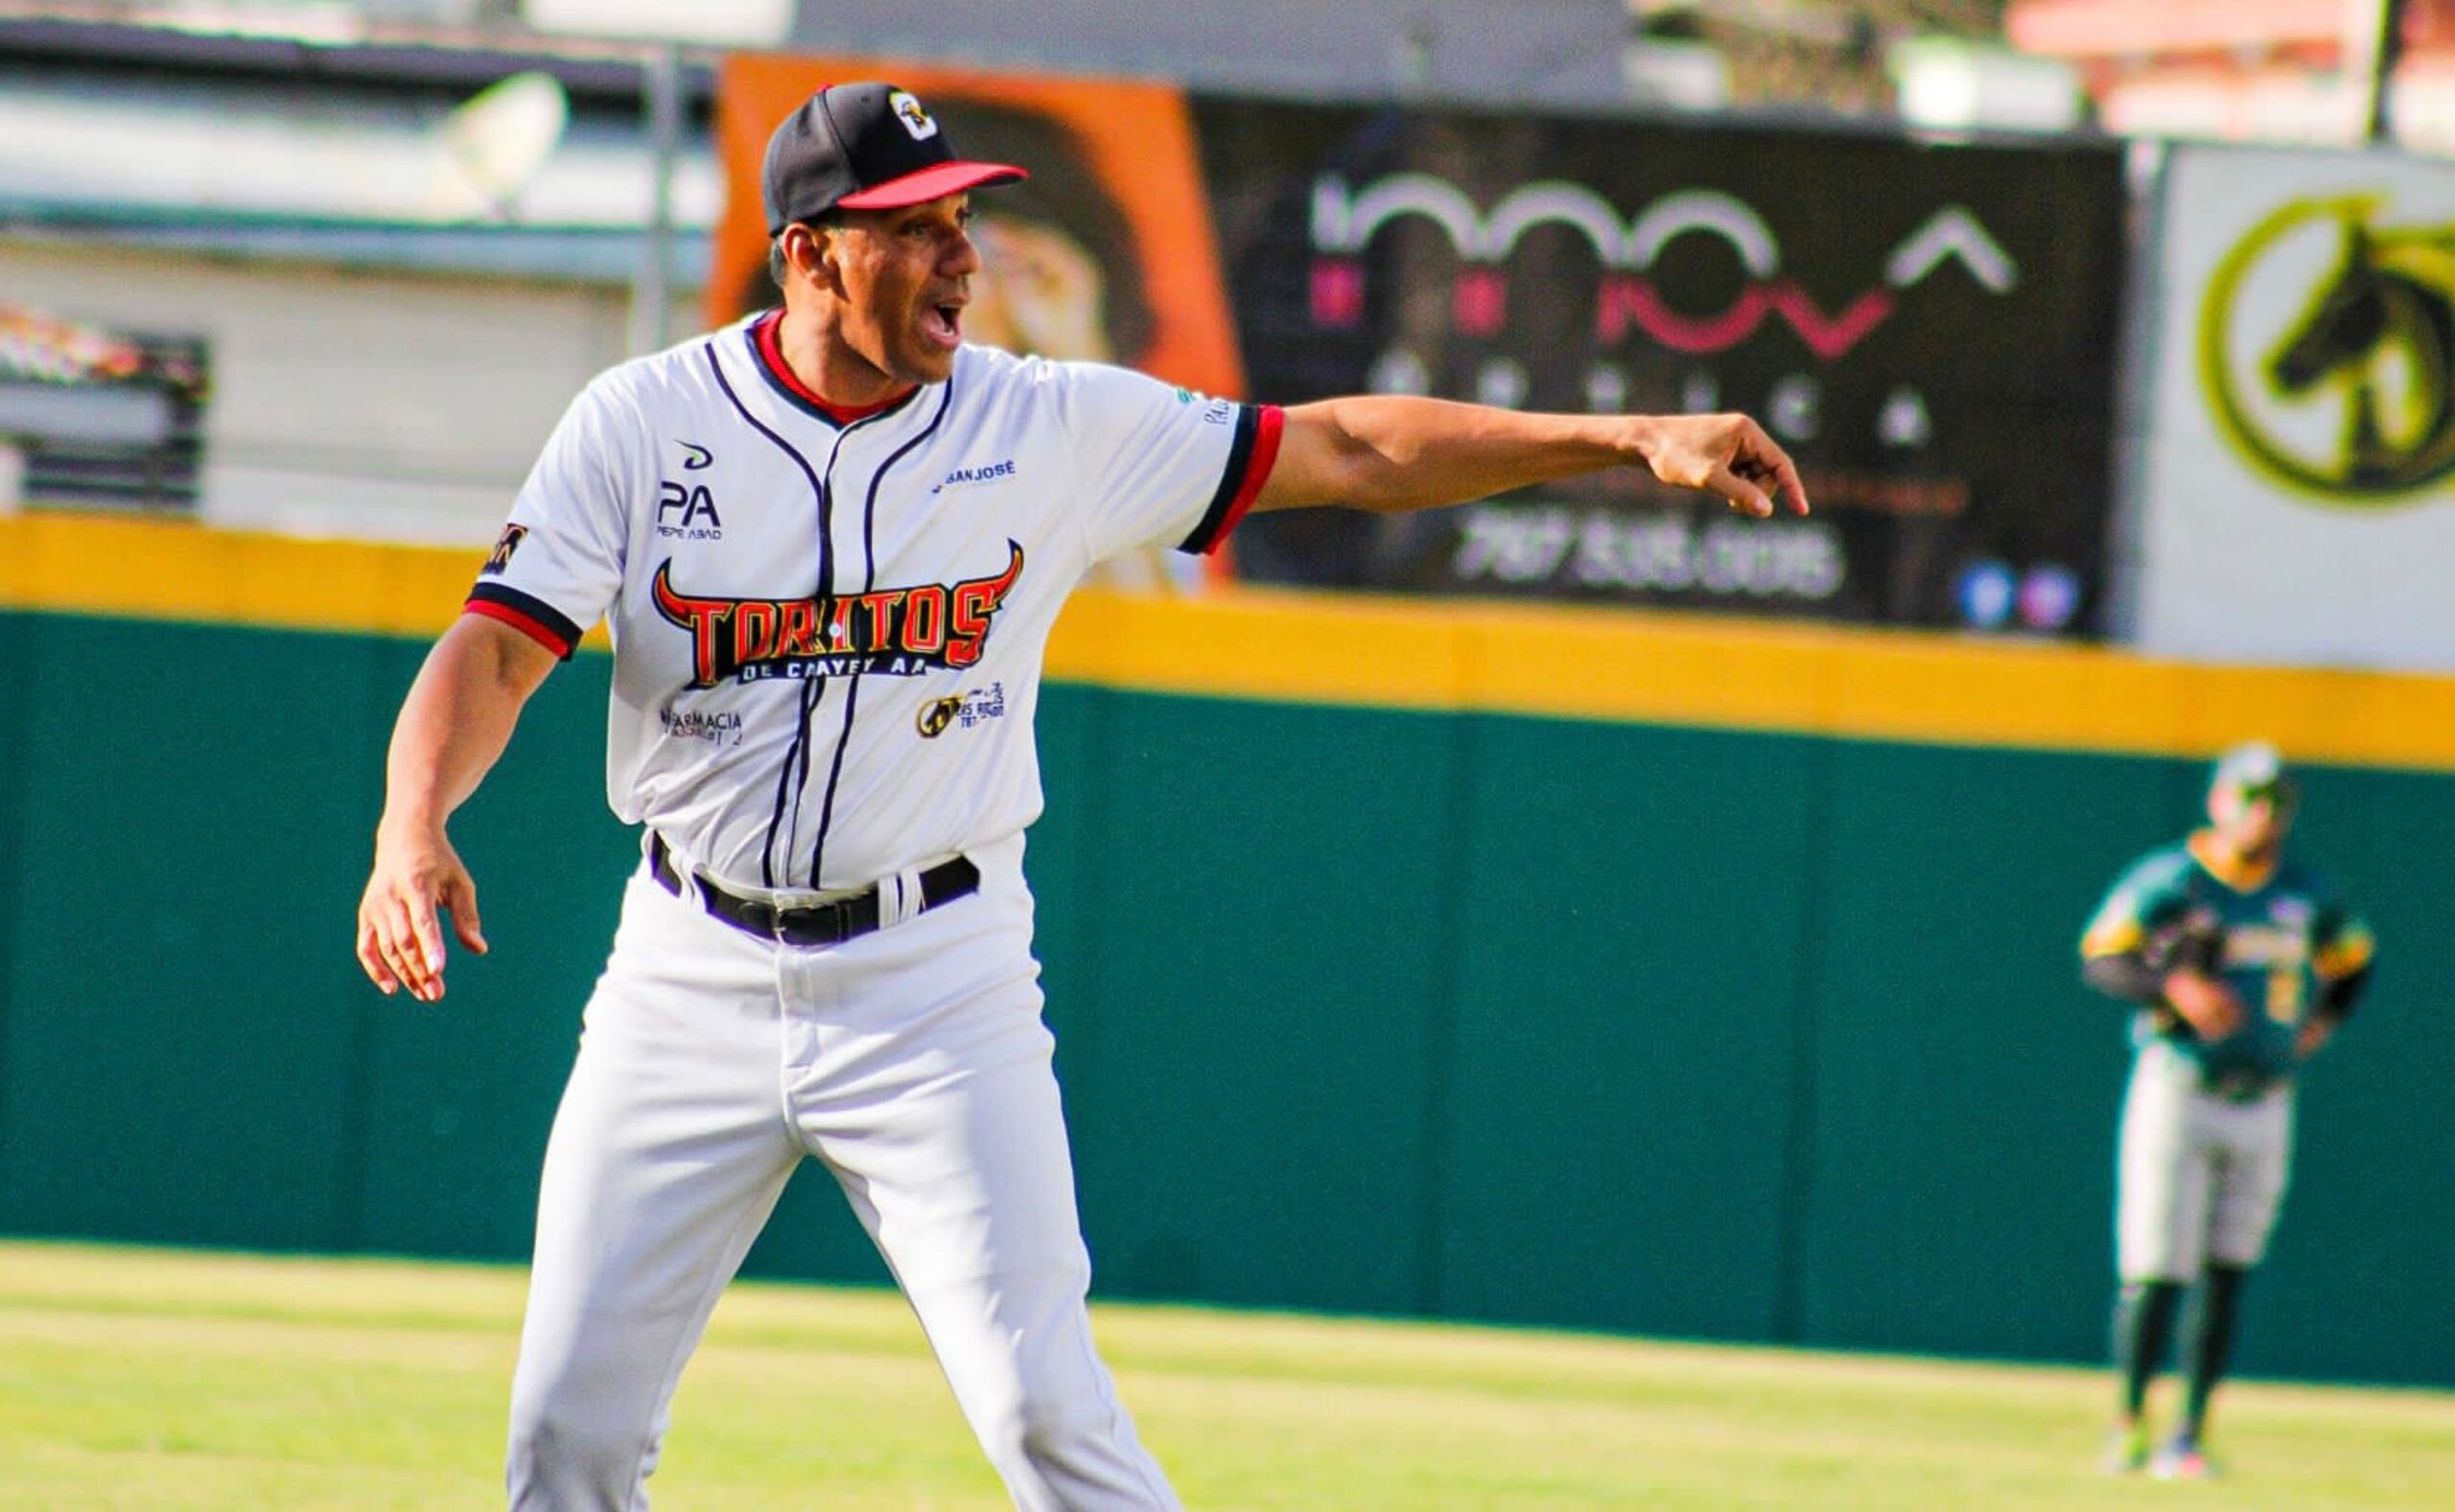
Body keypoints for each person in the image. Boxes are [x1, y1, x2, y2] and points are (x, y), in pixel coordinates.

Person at [355, 81, 1808, 1511]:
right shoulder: (644, 422)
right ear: (809, 252)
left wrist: (1619, 438)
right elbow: (494, 648)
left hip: (935, 980)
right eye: (917, 227)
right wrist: (411, 827)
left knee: (1046, 1413)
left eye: (965, 220)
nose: (963, 258)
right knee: (565, 1440)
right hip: (690, 970)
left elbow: (1343, 448)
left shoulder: (1043, 421)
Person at [2077, 741, 2375, 1480]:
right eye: (2250, 797)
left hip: (2266, 1095)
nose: (2262, 814)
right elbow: (2102, 956)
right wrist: (2171, 985)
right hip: (2183, 1083)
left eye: (2275, 801)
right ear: (2219, 801)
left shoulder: (2306, 888)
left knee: (2229, 1266)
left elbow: (2353, 961)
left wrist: (2320, 1025)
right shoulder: (2175, 879)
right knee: (2157, 1261)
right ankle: (2130, 1420)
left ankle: (2192, 1432)